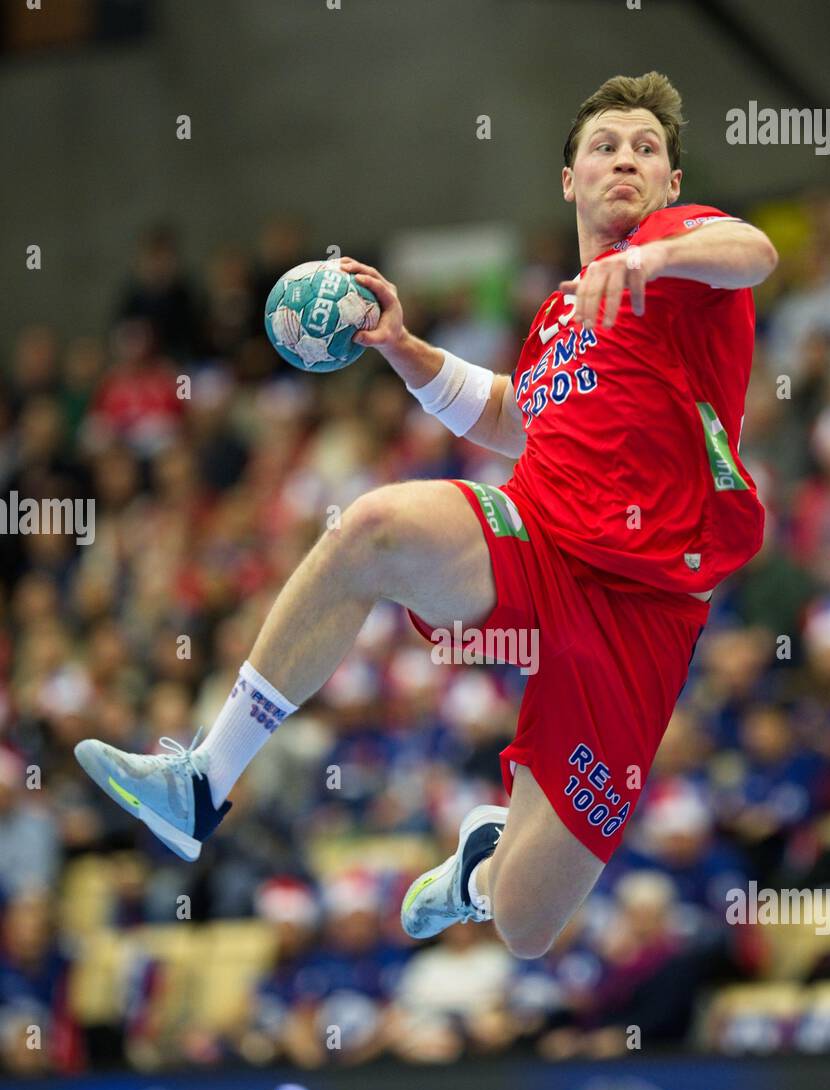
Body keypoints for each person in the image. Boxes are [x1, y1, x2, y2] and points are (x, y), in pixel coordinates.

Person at [75, 72, 776, 961]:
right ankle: (203, 782)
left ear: (674, 184)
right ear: (570, 179)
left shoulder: (682, 251)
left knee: (525, 926)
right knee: (373, 527)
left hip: (647, 612)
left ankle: (482, 868)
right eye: (606, 146)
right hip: (543, 541)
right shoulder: (561, 312)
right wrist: (407, 353)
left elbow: (753, 251)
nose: (626, 160)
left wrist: (651, 258)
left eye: (647, 149)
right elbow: (514, 420)